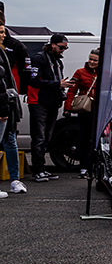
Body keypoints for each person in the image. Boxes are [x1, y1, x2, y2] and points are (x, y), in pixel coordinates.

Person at [28, 34, 73, 181]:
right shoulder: (39, 58)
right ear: (53, 44)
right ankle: (37, 171)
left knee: (47, 138)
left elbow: (57, 81)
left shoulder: (58, 62)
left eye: (65, 48)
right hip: (39, 103)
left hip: (52, 103)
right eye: (61, 47)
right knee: (39, 138)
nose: (63, 50)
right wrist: (57, 84)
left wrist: (62, 87)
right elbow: (33, 81)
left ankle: (42, 169)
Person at [0, 20, 27, 196]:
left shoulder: (4, 51)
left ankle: (15, 180)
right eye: (1, 32)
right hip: (4, 105)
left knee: (10, 140)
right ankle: (14, 180)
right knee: (9, 140)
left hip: (7, 104)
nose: (4, 35)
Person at [64, 48, 99, 179]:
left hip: (99, 111)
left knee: (97, 140)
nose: (92, 62)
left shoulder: (105, 73)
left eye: (95, 60)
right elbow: (71, 91)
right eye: (90, 59)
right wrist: (67, 108)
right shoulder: (80, 72)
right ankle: (83, 168)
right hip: (85, 110)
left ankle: (95, 167)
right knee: (84, 139)